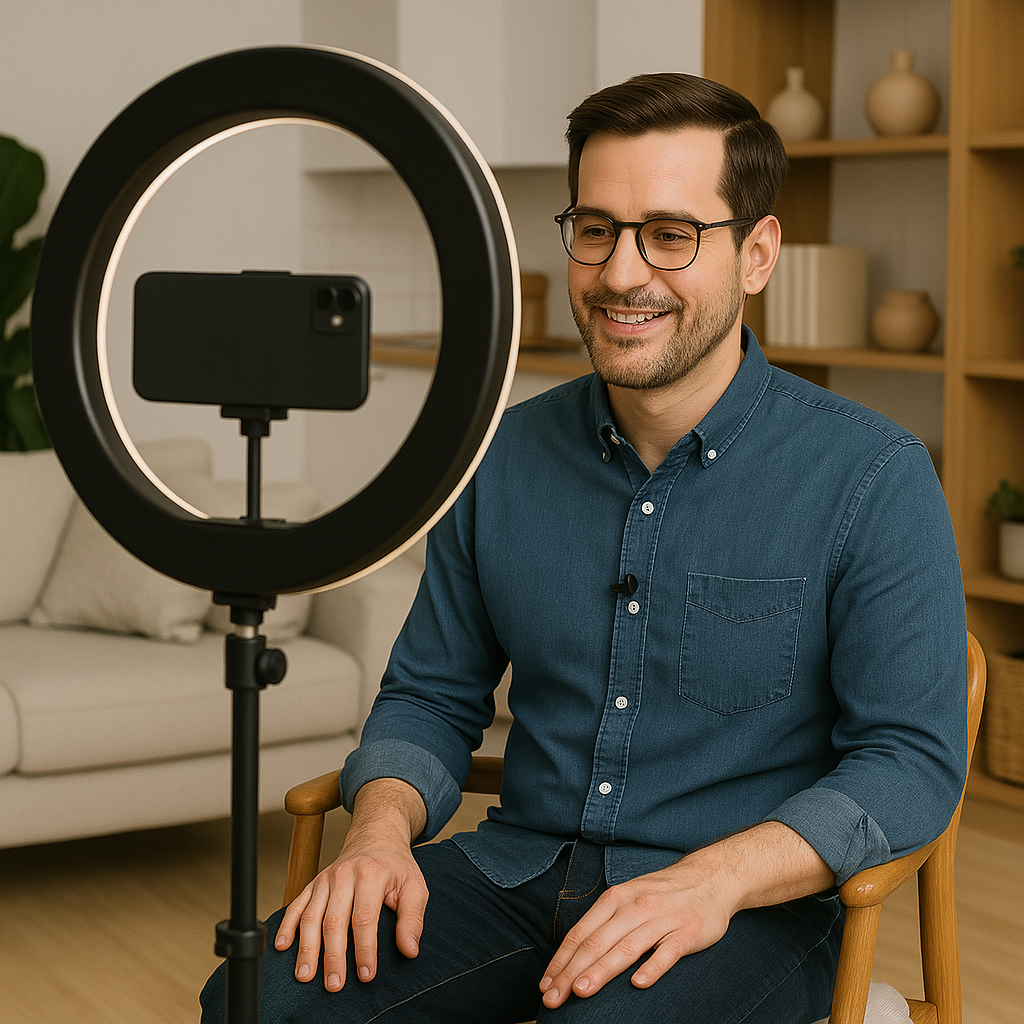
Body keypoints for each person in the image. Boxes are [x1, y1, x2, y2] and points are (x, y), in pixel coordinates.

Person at [201, 72, 967, 1023]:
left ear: (757, 254)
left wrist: (713, 882)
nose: (621, 273)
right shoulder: (504, 456)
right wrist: (378, 832)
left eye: (672, 235)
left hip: (741, 911)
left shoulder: (873, 476)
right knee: (260, 1000)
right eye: (596, 229)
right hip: (519, 868)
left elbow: (909, 762)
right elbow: (431, 695)